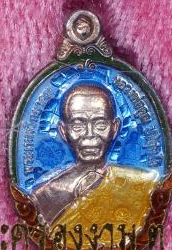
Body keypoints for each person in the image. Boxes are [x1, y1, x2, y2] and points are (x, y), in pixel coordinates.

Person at [31, 82, 159, 232]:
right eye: (78, 126)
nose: (90, 134)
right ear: (63, 131)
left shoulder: (142, 186)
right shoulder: (46, 197)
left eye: (100, 125)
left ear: (115, 128)